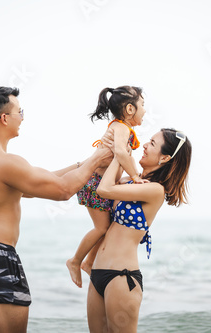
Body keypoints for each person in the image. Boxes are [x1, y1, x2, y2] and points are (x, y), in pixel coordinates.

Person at [0, 85, 113, 333]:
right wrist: (98, 158)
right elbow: (62, 190)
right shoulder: (4, 161)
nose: (23, 117)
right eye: (20, 111)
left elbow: (31, 187)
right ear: (4, 118)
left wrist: (83, 164)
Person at [87, 128, 192, 333]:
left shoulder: (155, 190)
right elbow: (99, 183)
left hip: (121, 277)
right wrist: (113, 147)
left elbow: (104, 190)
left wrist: (121, 153)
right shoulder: (128, 181)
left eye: (152, 143)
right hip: (97, 273)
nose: (144, 145)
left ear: (165, 157)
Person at [66, 86, 146, 288]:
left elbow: (125, 156)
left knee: (107, 227)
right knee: (101, 227)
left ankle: (89, 262)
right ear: (130, 109)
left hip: (101, 183)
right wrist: (135, 177)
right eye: (143, 105)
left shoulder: (123, 129)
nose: (145, 110)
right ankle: (75, 260)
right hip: (94, 184)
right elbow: (120, 152)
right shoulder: (120, 128)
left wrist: (136, 176)